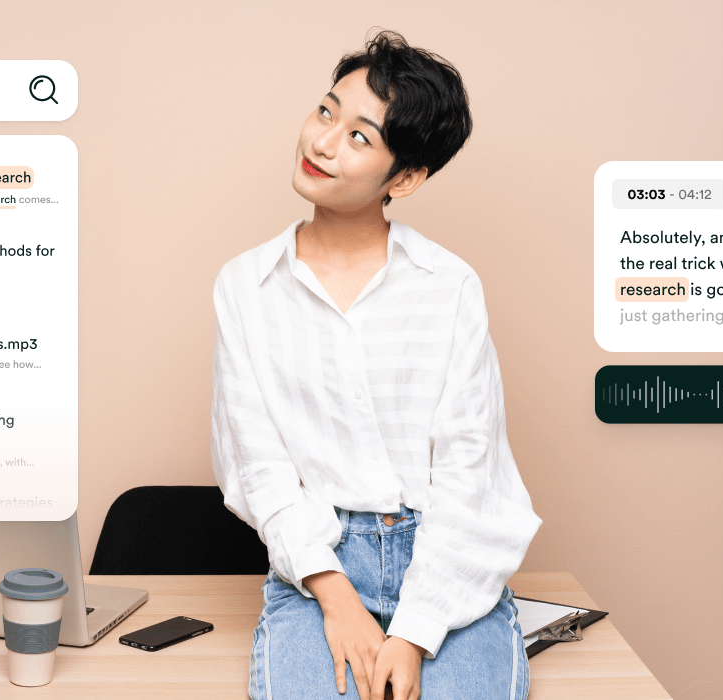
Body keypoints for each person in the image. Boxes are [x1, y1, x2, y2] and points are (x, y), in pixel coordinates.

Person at [211, 30, 542, 700]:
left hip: (445, 558)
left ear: (407, 178)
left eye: (361, 136)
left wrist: (416, 629)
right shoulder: (246, 285)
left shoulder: (448, 286)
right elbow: (256, 461)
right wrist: (335, 599)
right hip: (318, 559)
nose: (323, 142)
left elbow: (468, 464)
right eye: (327, 112)